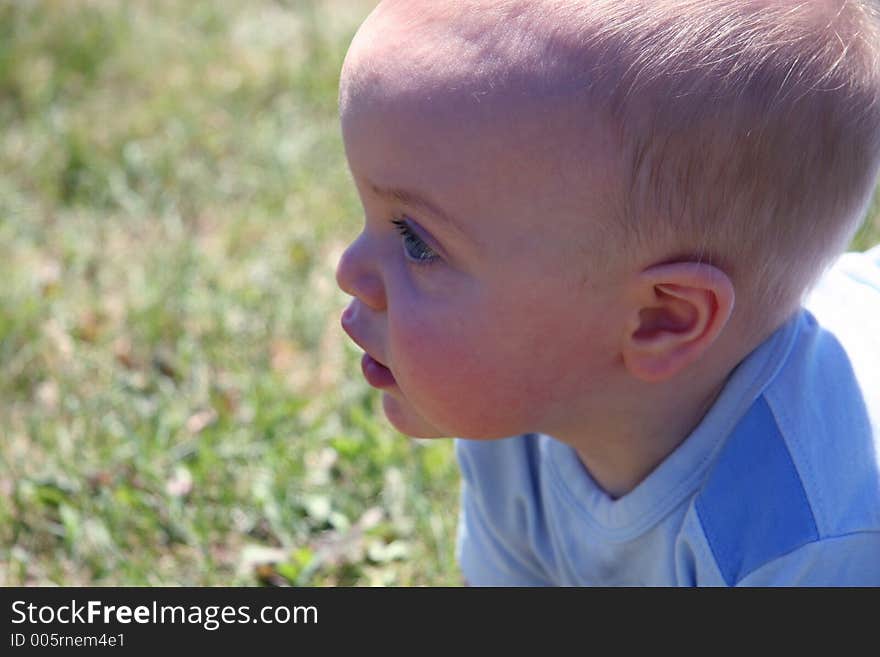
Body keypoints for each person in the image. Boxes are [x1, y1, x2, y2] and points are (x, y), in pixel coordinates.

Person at [334, 0, 880, 585]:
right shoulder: (517, 412)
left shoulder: (806, 541)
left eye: (417, 242)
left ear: (660, 318)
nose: (349, 271)